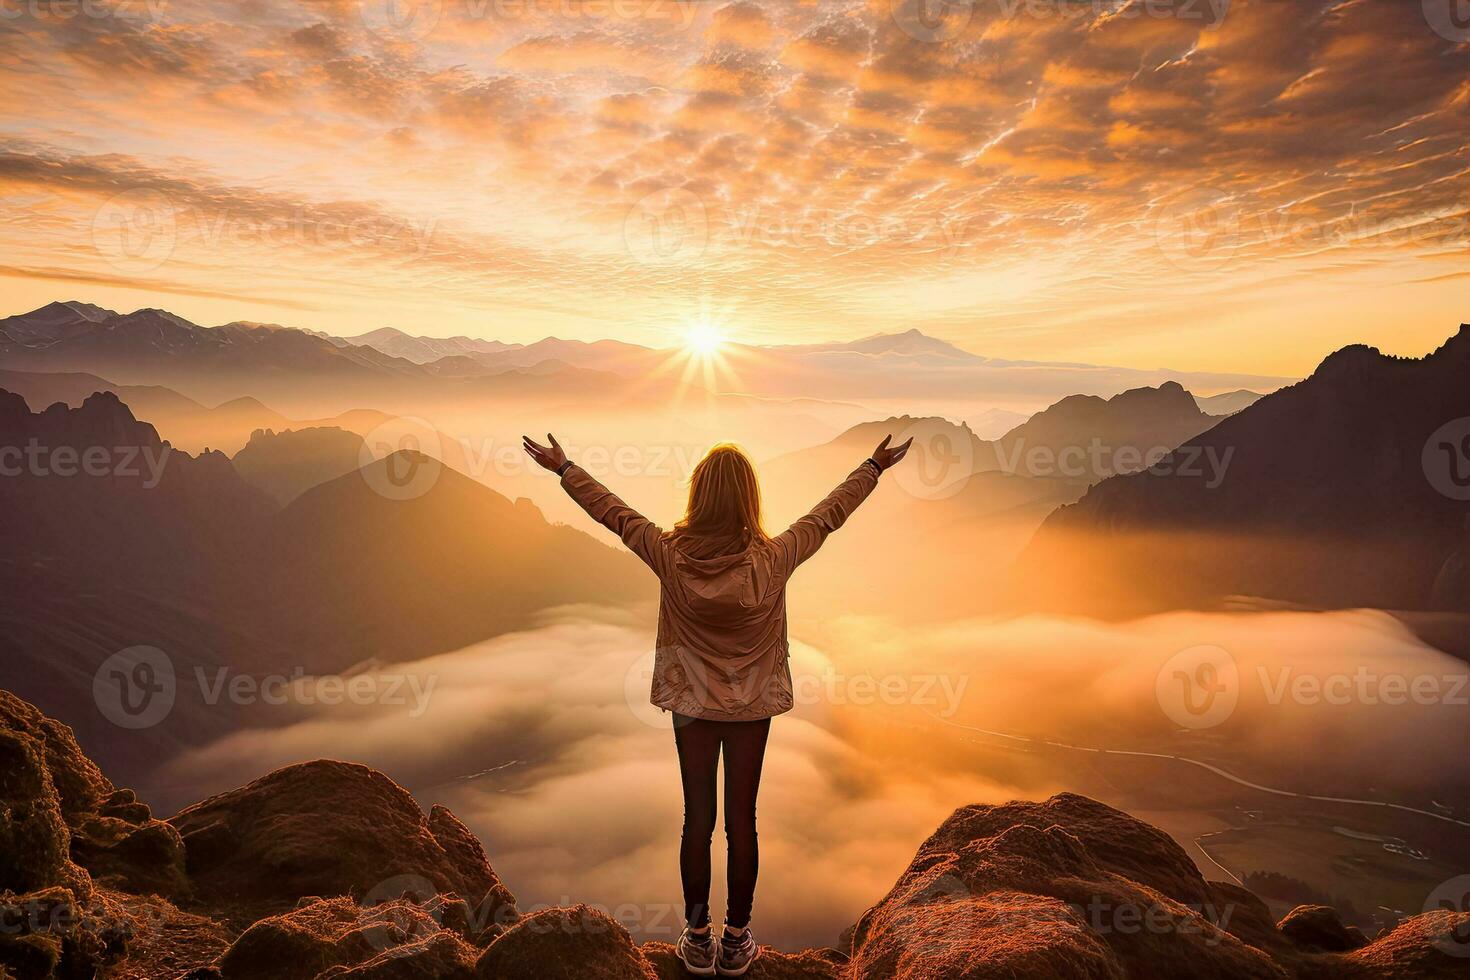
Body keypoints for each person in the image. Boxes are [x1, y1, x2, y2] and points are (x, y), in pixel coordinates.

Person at [523, 432, 910, 977]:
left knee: (697, 821)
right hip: (750, 709)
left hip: (692, 707)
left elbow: (614, 513)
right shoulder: (775, 559)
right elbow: (828, 515)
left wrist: (564, 469)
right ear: (749, 500)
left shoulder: (670, 555)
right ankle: (736, 941)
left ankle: (698, 938)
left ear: (698, 497)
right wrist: (872, 466)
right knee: (742, 822)